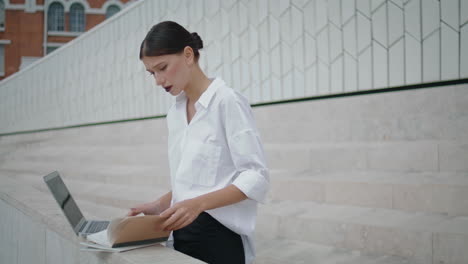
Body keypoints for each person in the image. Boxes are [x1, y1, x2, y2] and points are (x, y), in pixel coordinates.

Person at [127, 21, 269, 264]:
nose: (158, 81)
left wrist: (198, 205)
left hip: (219, 240)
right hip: (182, 236)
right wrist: (160, 205)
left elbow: (256, 176)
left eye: (162, 68)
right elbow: (196, 179)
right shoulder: (175, 113)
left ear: (188, 55)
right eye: (152, 73)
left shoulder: (227, 102)